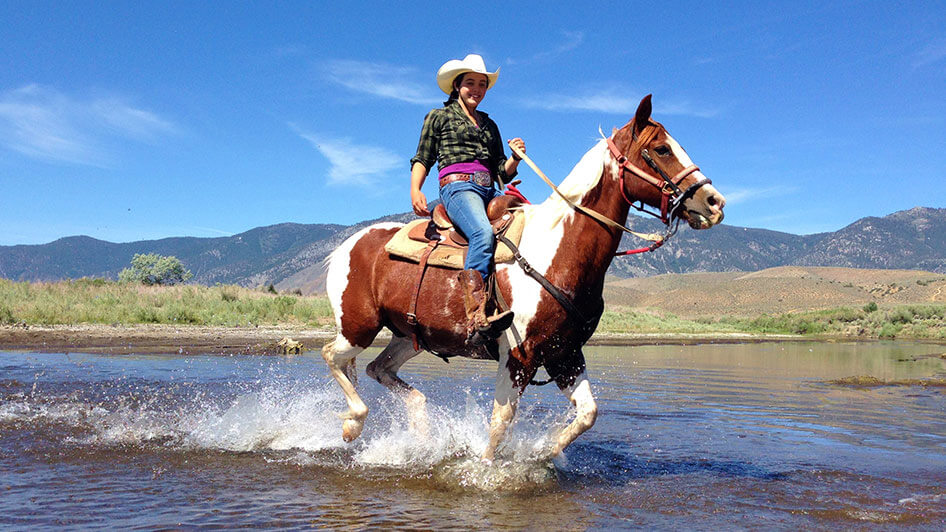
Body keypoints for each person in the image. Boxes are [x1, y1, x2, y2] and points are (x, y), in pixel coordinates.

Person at [410, 54, 526, 345]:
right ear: (457, 86)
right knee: (482, 233)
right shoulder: (439, 116)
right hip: (458, 187)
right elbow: (424, 156)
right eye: (470, 83)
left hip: (490, 189)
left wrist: (514, 158)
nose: (476, 89)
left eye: (482, 84)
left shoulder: (490, 125)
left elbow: (502, 173)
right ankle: (475, 315)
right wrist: (415, 189)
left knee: (525, 221)